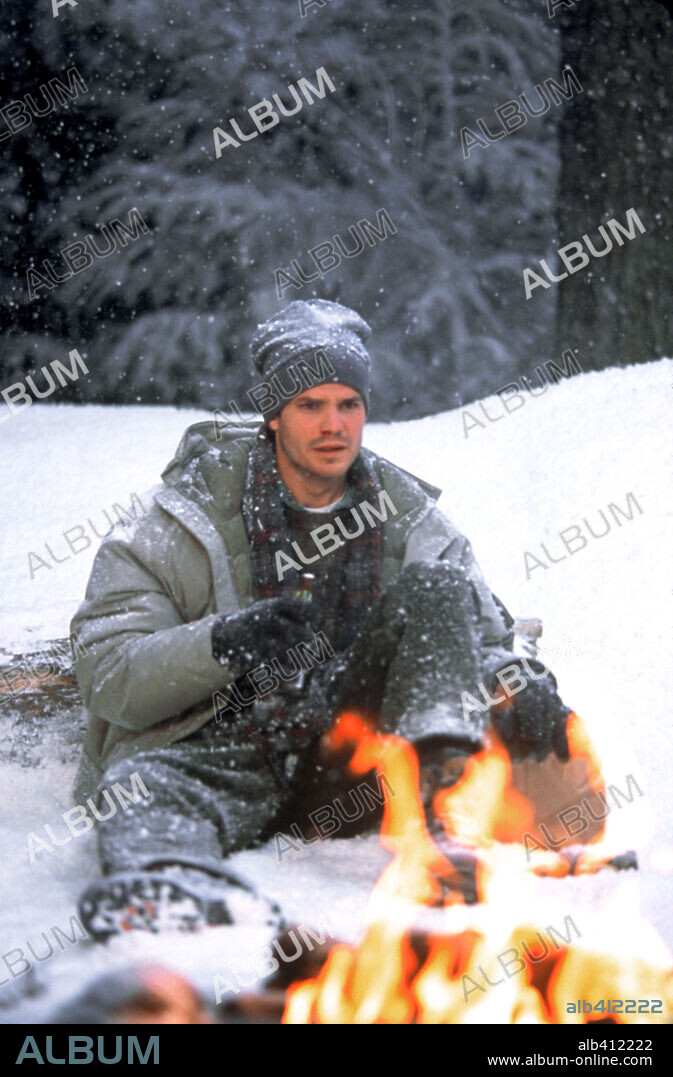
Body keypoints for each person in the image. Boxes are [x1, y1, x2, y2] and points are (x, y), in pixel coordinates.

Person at [71, 299, 574, 940]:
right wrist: (221, 642)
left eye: (349, 404)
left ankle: (443, 827)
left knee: (439, 587)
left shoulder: (406, 512)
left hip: (354, 752)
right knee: (139, 788)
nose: (333, 425)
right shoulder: (175, 520)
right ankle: (170, 892)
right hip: (222, 746)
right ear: (274, 414)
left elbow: (483, 633)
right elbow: (109, 673)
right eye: (310, 405)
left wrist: (520, 681)